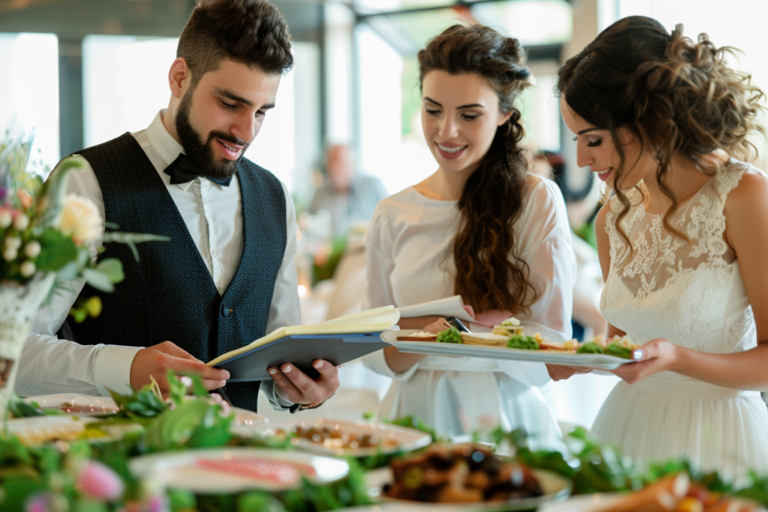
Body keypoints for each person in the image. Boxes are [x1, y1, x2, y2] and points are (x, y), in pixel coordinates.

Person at [16, 0, 340, 413]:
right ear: (180, 77)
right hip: (114, 466)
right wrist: (123, 367)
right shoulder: (84, 181)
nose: (247, 131)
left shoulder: (275, 197)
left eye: (262, 112)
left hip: (243, 464)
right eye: (230, 104)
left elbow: (276, 354)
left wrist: (297, 387)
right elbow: (13, 347)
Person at [555, 16, 768, 475]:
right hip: (627, 426)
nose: (581, 160)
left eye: (593, 139)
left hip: (719, 440)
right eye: (577, 140)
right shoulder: (615, 211)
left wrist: (678, 359)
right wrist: (576, 359)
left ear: (650, 119)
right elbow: (622, 344)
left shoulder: (744, 196)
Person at [363, 25, 576, 445]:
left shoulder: (535, 200)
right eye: (433, 109)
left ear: (504, 114)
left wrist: (470, 334)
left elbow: (555, 347)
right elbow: (371, 347)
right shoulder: (392, 213)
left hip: (502, 411)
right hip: (412, 415)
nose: (446, 132)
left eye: (469, 115)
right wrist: (427, 334)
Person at [309, 144, 388, 238]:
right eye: (330, 163)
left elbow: (390, 221)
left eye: (339, 162)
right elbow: (310, 228)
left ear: (353, 164)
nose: (334, 169)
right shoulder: (319, 194)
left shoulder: (373, 186)